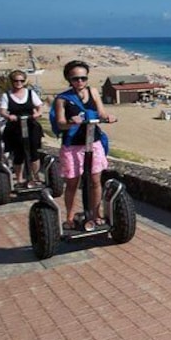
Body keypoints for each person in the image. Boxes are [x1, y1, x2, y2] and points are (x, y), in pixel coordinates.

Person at [54, 60, 116, 230]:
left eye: (83, 78)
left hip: (93, 142)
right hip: (73, 145)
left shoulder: (93, 92)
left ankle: (96, 215)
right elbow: (60, 123)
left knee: (95, 180)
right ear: (69, 79)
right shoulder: (62, 99)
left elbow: (101, 112)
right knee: (73, 183)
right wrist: (70, 121)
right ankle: (70, 217)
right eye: (75, 79)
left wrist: (108, 117)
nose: (80, 82)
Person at [0, 70, 44, 187]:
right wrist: (9, 116)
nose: (19, 83)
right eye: (16, 81)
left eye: (21, 80)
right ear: (12, 82)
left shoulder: (30, 93)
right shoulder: (6, 95)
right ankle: (19, 179)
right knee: (18, 154)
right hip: (15, 127)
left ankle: (35, 178)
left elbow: (40, 107)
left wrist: (37, 114)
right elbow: (3, 111)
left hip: (31, 125)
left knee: (34, 152)